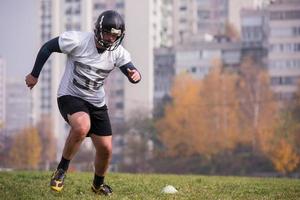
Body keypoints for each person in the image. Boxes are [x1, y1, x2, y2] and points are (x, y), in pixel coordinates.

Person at [25, 10, 141, 196]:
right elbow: (47, 47)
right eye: (108, 33)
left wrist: (135, 75)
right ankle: (61, 171)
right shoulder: (78, 41)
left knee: (106, 148)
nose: (111, 39)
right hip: (70, 95)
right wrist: (34, 74)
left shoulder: (118, 53)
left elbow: (130, 69)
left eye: (115, 35)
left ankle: (97, 185)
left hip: (96, 102)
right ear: (98, 30)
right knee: (81, 126)